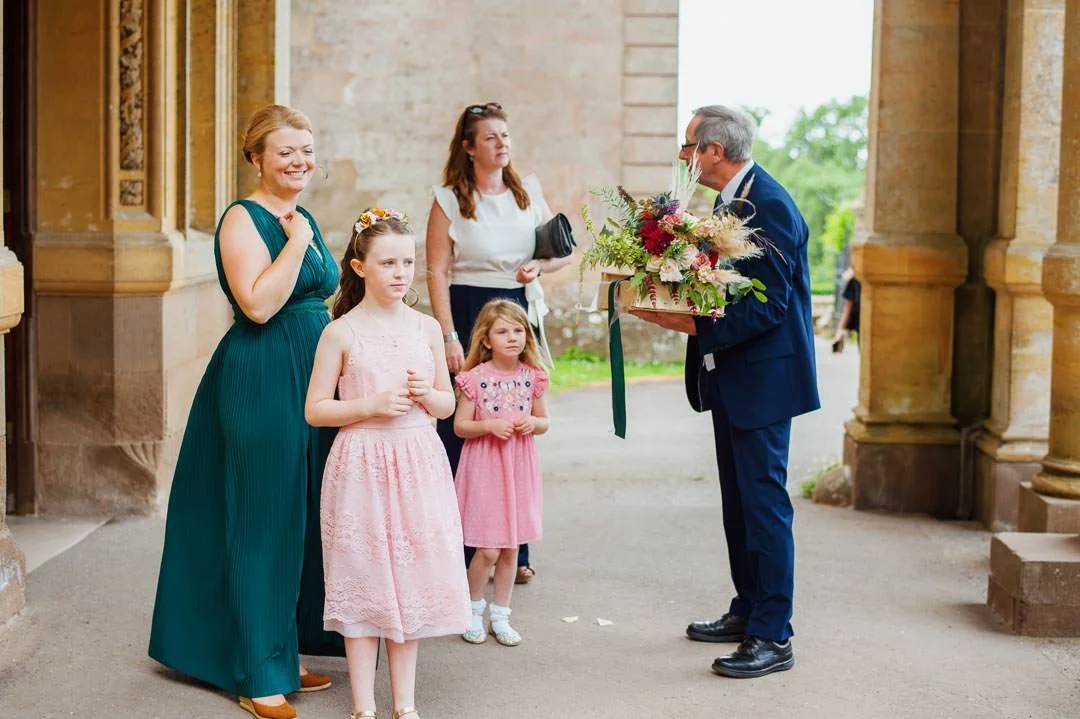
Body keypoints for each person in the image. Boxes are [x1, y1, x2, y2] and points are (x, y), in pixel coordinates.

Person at [148, 104, 343, 719]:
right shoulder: (242, 218)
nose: (300, 162)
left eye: (307, 150)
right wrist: (301, 243)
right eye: (286, 151)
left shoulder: (299, 214)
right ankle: (256, 671)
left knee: (303, 514)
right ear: (256, 157)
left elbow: (325, 296)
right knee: (264, 517)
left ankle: (281, 651)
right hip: (261, 376)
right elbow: (258, 305)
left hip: (313, 377)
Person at [631, 105, 820, 679]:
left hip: (765, 381)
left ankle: (773, 635)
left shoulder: (771, 204)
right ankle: (748, 609)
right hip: (732, 377)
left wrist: (690, 324)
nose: (684, 156)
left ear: (715, 151)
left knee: (764, 507)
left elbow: (769, 304)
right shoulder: (727, 203)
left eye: (689, 146)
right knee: (738, 504)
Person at [305, 209, 470, 719]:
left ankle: (405, 704)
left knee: (410, 578)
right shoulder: (340, 332)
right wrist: (368, 407)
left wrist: (430, 396)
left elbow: (449, 406)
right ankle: (362, 705)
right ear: (359, 267)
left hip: (418, 460)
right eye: (387, 263)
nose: (400, 273)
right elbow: (315, 409)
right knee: (365, 578)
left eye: (407, 262)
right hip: (361, 462)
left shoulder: (426, 328)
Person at [426, 101, 571, 584]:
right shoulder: (448, 199)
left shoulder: (527, 192)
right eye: (490, 137)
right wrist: (448, 334)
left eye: (505, 135)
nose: (502, 143)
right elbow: (437, 270)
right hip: (468, 313)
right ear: (468, 148)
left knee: (515, 420)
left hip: (514, 309)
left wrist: (539, 267)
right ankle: (463, 548)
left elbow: (559, 253)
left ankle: (514, 547)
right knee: (463, 427)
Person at [452, 299, 550, 647]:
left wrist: (533, 422)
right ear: (486, 339)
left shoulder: (532, 377)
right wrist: (489, 424)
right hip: (487, 468)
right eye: (502, 331)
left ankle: (501, 616)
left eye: (518, 330)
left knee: (510, 549)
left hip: (518, 468)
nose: (512, 337)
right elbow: (460, 426)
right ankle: (472, 610)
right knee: (489, 549)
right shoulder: (475, 379)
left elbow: (544, 421)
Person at [831, 266, 861, 352]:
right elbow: (848, 306)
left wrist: (839, 332)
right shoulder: (855, 280)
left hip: (863, 324)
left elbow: (847, 307)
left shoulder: (854, 279)